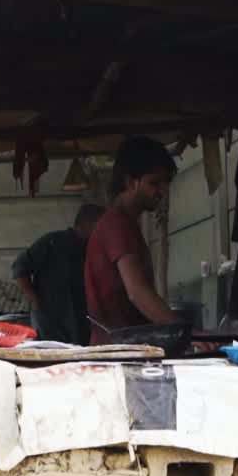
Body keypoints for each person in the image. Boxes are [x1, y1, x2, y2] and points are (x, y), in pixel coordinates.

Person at [84, 136, 182, 345]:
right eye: (155, 182)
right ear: (130, 183)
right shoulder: (117, 224)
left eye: (166, 183)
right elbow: (137, 293)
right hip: (116, 351)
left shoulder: (124, 223)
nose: (163, 191)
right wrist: (182, 332)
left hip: (121, 346)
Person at [12, 203, 105, 344]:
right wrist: (34, 299)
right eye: (100, 225)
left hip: (80, 322)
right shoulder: (53, 242)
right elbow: (19, 267)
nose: (103, 231)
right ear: (87, 223)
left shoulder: (92, 249)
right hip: (50, 320)